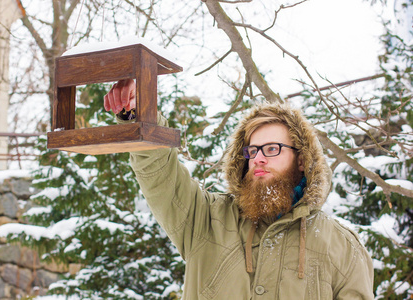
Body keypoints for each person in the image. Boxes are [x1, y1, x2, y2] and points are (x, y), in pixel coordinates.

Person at [104, 79, 374, 299]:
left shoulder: (341, 247)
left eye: (272, 149)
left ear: (301, 159)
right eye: (253, 150)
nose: (258, 158)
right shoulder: (206, 220)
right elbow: (159, 174)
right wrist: (141, 114)